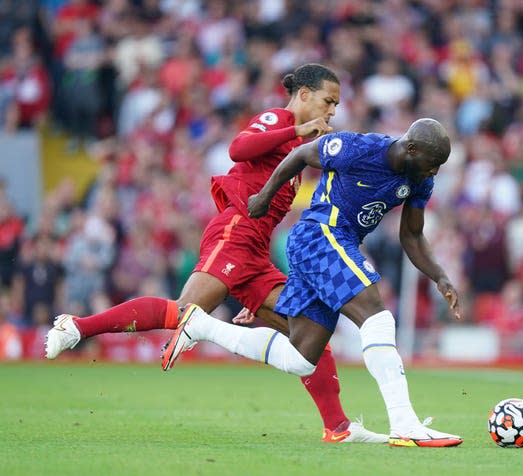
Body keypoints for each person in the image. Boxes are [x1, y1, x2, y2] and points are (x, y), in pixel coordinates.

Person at [45, 63, 386, 444]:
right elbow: (237, 148)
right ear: (304, 95)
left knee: (308, 327)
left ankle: (338, 427)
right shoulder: (278, 118)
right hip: (235, 231)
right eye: (328, 101)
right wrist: (298, 129)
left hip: (255, 252)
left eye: (336, 105)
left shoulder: (303, 147)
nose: (331, 111)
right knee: (184, 311)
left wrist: (251, 289)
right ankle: (77, 327)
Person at [163, 118, 464, 447]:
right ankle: (404, 422)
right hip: (320, 234)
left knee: (301, 357)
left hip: (329, 245)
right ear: (411, 148)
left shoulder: (419, 179)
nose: (434, 172)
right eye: (432, 164)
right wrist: (265, 196)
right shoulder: (359, 148)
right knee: (377, 317)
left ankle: (202, 326)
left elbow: (412, 234)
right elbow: (301, 155)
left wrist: (439, 274)